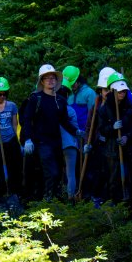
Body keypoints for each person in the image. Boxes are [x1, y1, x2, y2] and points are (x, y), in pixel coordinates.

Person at [22, 64, 84, 201]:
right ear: (42, 81)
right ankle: (47, 201)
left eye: (53, 78)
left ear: (57, 81)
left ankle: (55, 203)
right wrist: (28, 139)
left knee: (58, 173)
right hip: (42, 142)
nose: (51, 80)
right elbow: (27, 119)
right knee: (52, 173)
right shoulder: (35, 99)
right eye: (47, 78)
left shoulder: (60, 101)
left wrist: (77, 131)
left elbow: (63, 121)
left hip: (57, 142)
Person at [97, 72, 132, 208]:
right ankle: (116, 207)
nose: (122, 94)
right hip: (113, 150)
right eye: (119, 91)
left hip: (131, 149)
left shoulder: (131, 106)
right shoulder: (105, 109)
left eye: (124, 91)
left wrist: (127, 136)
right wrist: (112, 127)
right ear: (113, 91)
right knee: (114, 179)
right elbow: (101, 129)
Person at [84, 67, 115, 206]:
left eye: (109, 89)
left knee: (111, 172)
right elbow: (89, 126)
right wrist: (87, 142)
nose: (107, 92)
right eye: (104, 89)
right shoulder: (96, 105)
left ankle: (110, 198)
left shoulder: (117, 105)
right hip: (98, 144)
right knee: (97, 171)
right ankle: (96, 197)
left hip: (112, 144)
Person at [0, 77, 22, 201]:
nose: (2, 96)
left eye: (4, 94)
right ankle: (1, 194)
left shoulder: (12, 106)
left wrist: (16, 140)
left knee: (14, 168)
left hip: (10, 141)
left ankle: (15, 193)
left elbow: (15, 124)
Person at [56, 85, 79, 204]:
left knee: (58, 171)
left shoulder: (53, 109)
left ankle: (59, 196)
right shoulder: (70, 110)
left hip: (58, 144)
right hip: (71, 144)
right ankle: (71, 198)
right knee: (71, 173)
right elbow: (75, 128)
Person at [64, 65, 96, 130]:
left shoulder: (89, 93)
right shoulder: (68, 94)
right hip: (72, 131)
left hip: (86, 131)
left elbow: (94, 115)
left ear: (78, 79)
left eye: (73, 83)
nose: (72, 86)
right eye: (70, 85)